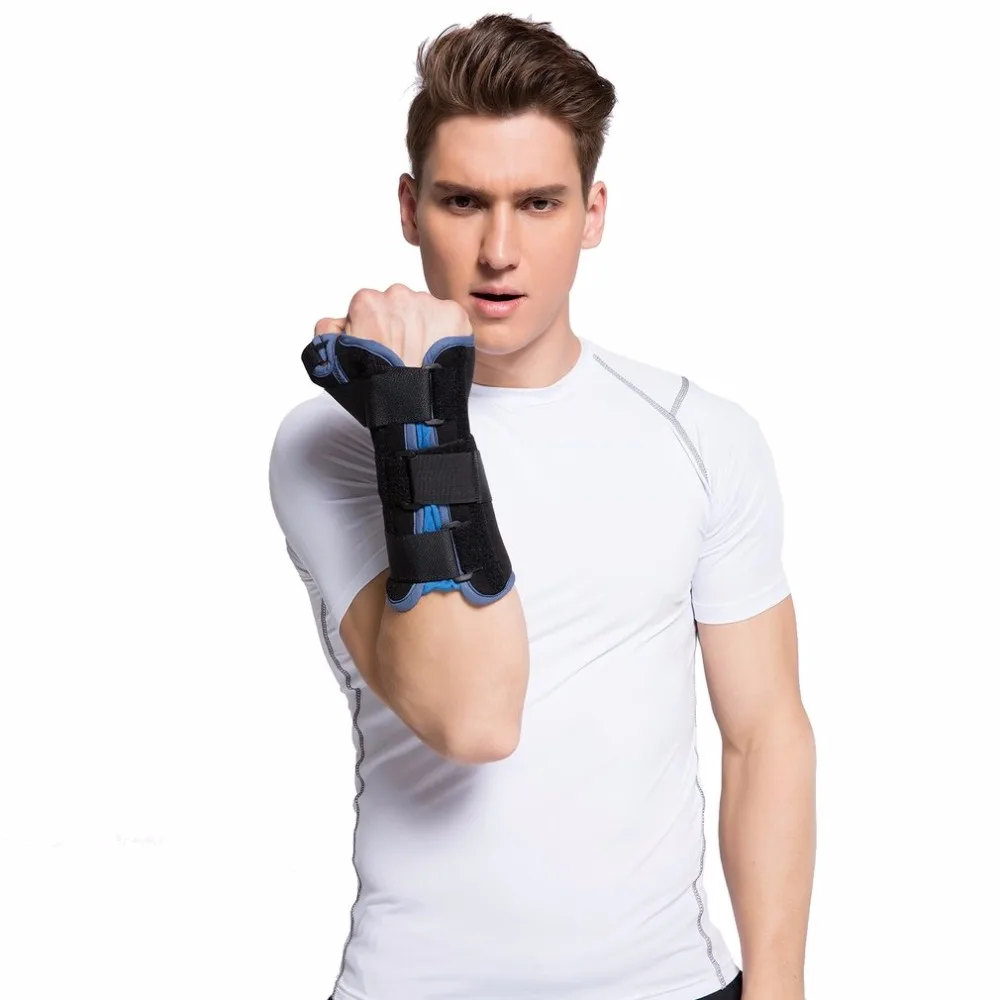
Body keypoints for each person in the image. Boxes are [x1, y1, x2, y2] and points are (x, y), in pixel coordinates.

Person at [268, 13, 816, 1000]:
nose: (498, 250)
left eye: (539, 203)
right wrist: (415, 408)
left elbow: (763, 732)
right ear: (409, 208)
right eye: (463, 201)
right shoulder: (337, 442)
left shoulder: (699, 434)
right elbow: (471, 716)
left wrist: (779, 993)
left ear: (592, 213)